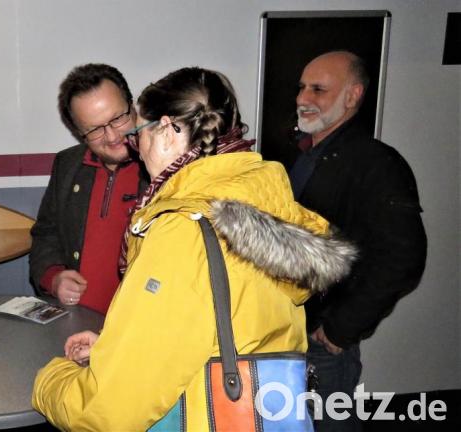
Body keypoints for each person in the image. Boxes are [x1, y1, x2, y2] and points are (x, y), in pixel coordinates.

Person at [32, 67, 357, 431]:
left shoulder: (182, 230)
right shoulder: (259, 201)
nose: (134, 145)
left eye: (139, 131)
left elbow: (108, 413)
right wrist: (117, 350)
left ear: (169, 132)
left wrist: (50, 380)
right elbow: (220, 333)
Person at [291, 51, 427, 431]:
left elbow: (404, 257)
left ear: (352, 96)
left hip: (325, 344)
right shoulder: (306, 155)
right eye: (302, 87)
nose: (303, 98)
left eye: (318, 89)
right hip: (293, 333)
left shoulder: (377, 162)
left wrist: (340, 328)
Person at [29, 63, 148, 314]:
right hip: (76, 326)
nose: (112, 136)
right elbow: (46, 234)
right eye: (94, 129)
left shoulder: (164, 169)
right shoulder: (67, 165)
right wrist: (53, 277)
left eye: (118, 118)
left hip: (140, 329)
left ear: (132, 105)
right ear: (78, 132)